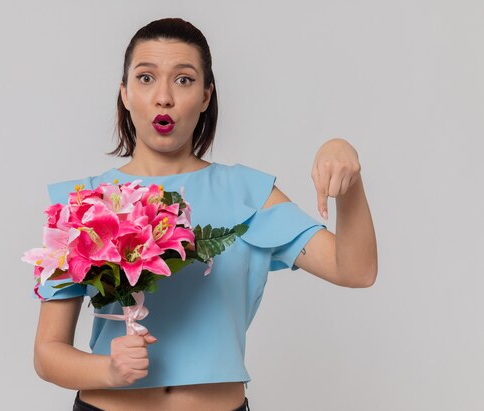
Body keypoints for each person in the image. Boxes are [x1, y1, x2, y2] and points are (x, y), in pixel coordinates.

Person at [32, 18, 377, 411]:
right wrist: (108, 371)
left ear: (207, 94)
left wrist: (349, 177)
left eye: (184, 80)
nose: (164, 97)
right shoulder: (84, 203)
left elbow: (355, 270)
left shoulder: (247, 193)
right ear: (124, 93)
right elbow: (47, 353)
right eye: (146, 79)